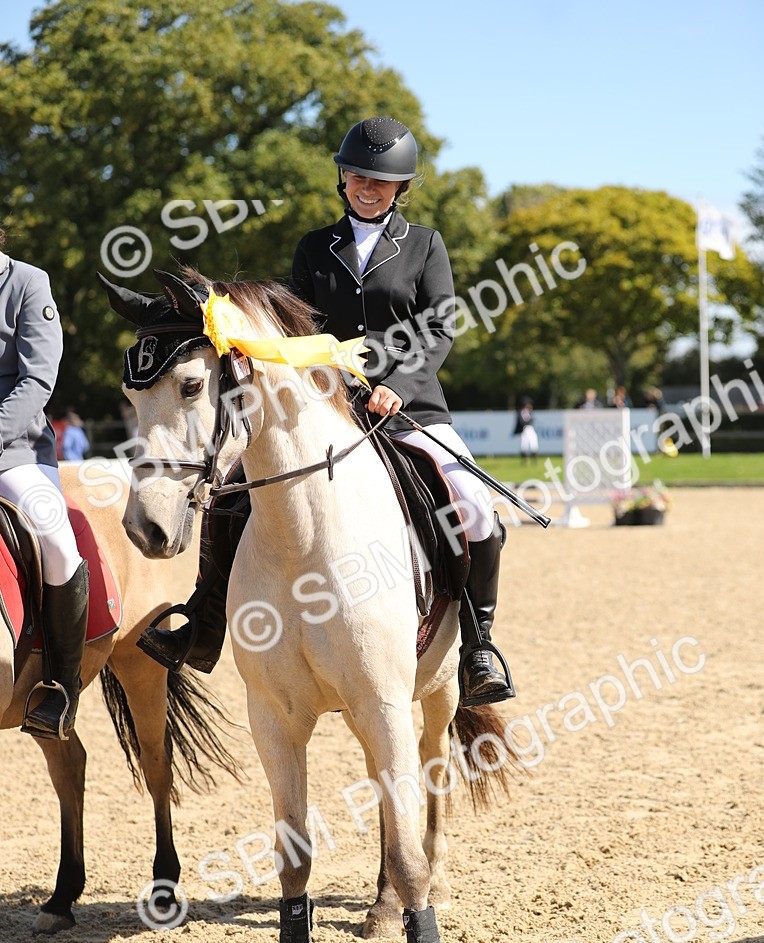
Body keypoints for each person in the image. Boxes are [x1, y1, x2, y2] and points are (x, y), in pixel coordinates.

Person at [140, 117, 515, 706]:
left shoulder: (424, 245)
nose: (369, 187)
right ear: (343, 178)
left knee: (474, 510)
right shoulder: (315, 247)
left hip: (411, 407)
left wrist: (398, 381)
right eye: (359, 175)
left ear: (400, 188)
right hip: (328, 409)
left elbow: (441, 327)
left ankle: (479, 644)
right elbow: (300, 329)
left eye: (382, 181)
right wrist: (335, 382)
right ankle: (205, 621)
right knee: (235, 494)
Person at [0, 227, 88, 739]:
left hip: (16, 454)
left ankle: (59, 688)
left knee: (57, 542)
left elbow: (37, 380)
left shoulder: (28, 283)